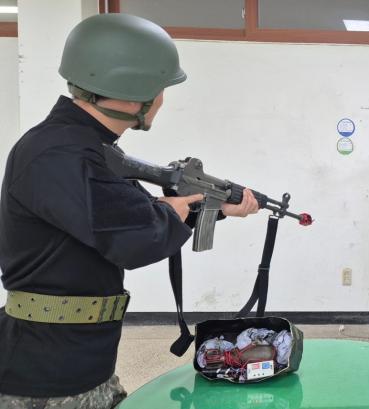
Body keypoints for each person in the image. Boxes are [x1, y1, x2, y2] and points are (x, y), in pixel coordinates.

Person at [0, 14, 258, 409]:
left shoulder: (84, 147)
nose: (162, 98)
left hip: (77, 358)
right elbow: (136, 238)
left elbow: (124, 213)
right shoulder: (64, 154)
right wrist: (173, 211)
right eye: (160, 87)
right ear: (136, 92)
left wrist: (212, 208)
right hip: (47, 377)